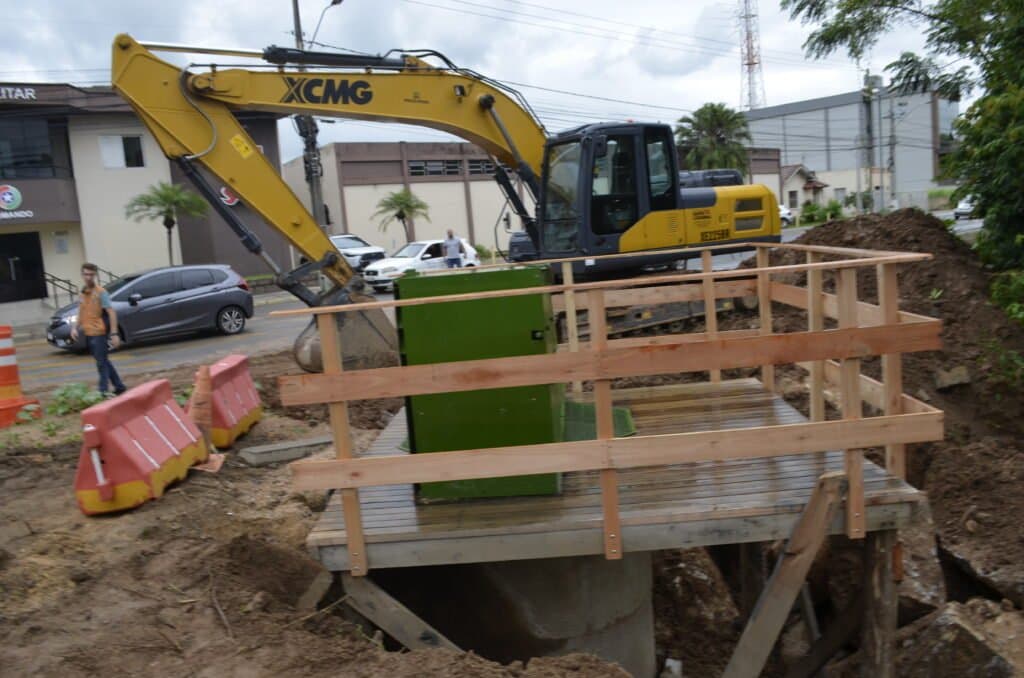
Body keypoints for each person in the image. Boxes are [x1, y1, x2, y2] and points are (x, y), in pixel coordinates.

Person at [71, 262, 126, 396]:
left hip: (99, 333)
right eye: (86, 274)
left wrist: (114, 333)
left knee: (101, 363)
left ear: (95, 275)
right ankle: (119, 386)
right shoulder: (83, 293)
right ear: (82, 275)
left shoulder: (101, 292)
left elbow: (111, 312)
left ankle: (102, 392)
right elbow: (81, 312)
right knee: (103, 361)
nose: (88, 277)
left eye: (91, 274)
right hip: (89, 332)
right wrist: (74, 328)